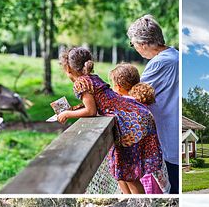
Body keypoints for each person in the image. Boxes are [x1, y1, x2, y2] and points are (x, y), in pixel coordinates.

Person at [56, 47, 163, 194]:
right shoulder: (93, 77)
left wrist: (67, 114)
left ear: (68, 69)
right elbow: (99, 102)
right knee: (127, 173)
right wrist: (77, 108)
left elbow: (91, 111)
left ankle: (141, 203)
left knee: (130, 175)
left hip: (130, 122)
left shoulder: (81, 83)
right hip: (136, 114)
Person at [127, 15, 180, 194]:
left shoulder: (160, 63)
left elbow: (134, 95)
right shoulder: (174, 56)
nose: (135, 49)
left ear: (143, 44)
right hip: (171, 136)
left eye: (133, 44)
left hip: (169, 138)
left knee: (173, 189)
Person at [109, 63, 169, 194]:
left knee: (131, 179)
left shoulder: (125, 104)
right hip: (141, 149)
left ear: (118, 87)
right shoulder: (137, 101)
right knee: (125, 177)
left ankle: (137, 202)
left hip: (131, 150)